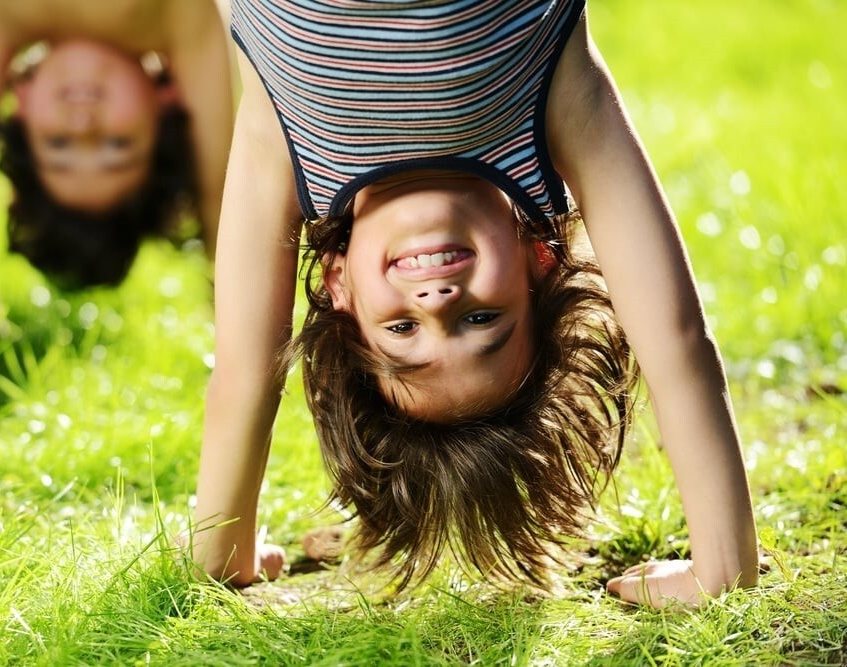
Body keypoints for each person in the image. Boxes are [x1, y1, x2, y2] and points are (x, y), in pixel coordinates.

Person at [189, 0, 759, 608]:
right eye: (481, 320)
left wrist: (222, 550)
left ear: (340, 286)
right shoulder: (551, 95)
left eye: (403, 328)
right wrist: (722, 568)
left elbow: (247, 373)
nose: (438, 301)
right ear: (540, 260)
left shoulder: (285, 142)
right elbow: (676, 339)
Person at [0, 0, 233, 335]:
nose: (83, 125)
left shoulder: (1, 12)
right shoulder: (177, 17)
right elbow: (219, 191)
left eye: (58, 143)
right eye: (118, 144)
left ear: (22, 105)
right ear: (167, 107)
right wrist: (231, 331)